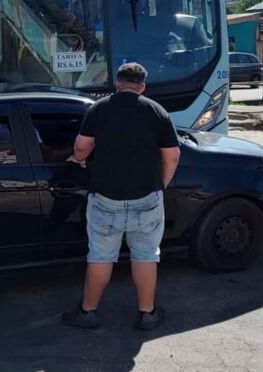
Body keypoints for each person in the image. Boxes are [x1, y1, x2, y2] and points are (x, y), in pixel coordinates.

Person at [62, 62, 181, 330]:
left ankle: (87, 312)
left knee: (101, 256)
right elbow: (172, 156)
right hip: (146, 197)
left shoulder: (100, 108)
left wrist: (78, 158)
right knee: (146, 254)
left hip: (106, 197)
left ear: (117, 82)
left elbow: (82, 147)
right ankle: (147, 314)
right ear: (142, 86)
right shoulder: (156, 111)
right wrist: (160, 184)